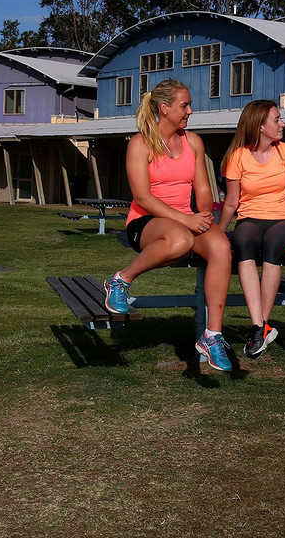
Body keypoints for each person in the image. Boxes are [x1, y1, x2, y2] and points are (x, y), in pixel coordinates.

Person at [103, 79, 234, 372]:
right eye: (184, 105)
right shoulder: (140, 144)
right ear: (164, 108)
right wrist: (187, 220)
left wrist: (202, 215)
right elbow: (143, 197)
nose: (190, 110)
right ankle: (120, 280)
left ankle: (212, 336)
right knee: (179, 241)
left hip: (185, 218)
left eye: (189, 105)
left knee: (222, 247)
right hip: (146, 221)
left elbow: (203, 189)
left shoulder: (194, 142)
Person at [218, 100, 285, 360]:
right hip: (250, 217)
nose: (282, 124)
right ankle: (259, 326)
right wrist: (219, 231)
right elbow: (231, 201)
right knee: (243, 241)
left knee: (273, 248)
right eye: (277, 120)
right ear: (260, 126)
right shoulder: (237, 157)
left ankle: (261, 326)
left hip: (282, 219)